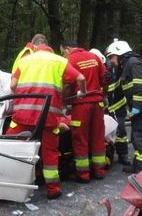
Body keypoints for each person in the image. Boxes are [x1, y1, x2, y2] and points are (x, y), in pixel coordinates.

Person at [7, 35, 86, 199]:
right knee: (50, 153)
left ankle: (11, 184)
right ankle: (53, 190)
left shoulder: (24, 60)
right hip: (48, 116)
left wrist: (23, 97)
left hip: (23, 115)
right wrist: (81, 92)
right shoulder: (59, 61)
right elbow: (81, 78)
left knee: (11, 149)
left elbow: (13, 85)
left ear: (34, 46)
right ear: (48, 46)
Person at [105, 40, 142, 173]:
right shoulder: (127, 65)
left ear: (119, 53)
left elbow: (141, 85)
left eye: (112, 57)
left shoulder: (133, 63)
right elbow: (120, 90)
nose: (111, 61)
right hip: (140, 110)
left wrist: (136, 107)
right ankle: (137, 166)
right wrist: (111, 107)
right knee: (136, 138)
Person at [60, 41, 108, 183]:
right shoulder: (94, 56)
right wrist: (102, 95)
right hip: (98, 103)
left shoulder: (70, 60)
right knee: (98, 136)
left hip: (81, 105)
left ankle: (83, 175)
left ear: (68, 49)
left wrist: (63, 100)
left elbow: (68, 84)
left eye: (62, 51)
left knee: (80, 138)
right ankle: (99, 171)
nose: (63, 54)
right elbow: (105, 78)